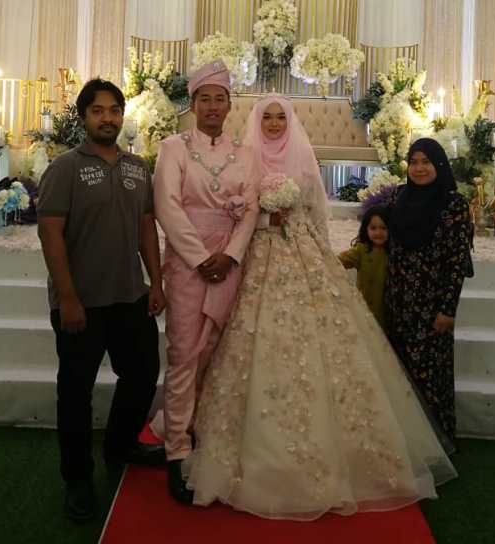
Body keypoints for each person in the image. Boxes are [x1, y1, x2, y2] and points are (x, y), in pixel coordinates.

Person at [184, 96, 456, 520]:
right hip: (255, 253)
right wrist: (264, 221)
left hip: (303, 253)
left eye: (281, 117)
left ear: (290, 121)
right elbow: (235, 212)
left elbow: (314, 213)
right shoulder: (243, 158)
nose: (274, 124)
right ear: (257, 120)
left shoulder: (303, 160)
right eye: (268, 117)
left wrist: (318, 250)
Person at [37, 78, 166, 523]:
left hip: (129, 295)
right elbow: (50, 232)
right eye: (98, 111)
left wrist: (156, 282)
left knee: (143, 374)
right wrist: (67, 297)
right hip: (81, 302)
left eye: (114, 110)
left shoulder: (137, 168)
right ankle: (77, 478)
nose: (107, 118)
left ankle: (120, 446)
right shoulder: (66, 168)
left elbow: (146, 226)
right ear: (84, 117)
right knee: (75, 393)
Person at [150, 60, 259, 504]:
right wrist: (199, 258)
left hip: (228, 263)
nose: (213, 106)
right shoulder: (173, 148)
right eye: (205, 99)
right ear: (192, 105)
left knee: (215, 349)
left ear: (230, 106)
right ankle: (177, 448)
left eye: (220, 99)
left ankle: (203, 430)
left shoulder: (246, 153)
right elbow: (167, 206)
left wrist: (230, 255)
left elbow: (251, 208)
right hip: (187, 263)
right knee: (183, 353)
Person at [386, 138, 474, 443]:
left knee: (430, 376)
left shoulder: (454, 204)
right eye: (413, 162)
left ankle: (436, 442)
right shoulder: (398, 196)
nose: (419, 168)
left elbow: (457, 261)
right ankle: (406, 444)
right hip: (398, 301)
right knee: (399, 374)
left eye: (426, 162)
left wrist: (447, 310)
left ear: (439, 165)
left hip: (431, 305)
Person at [338, 204, 390, 327]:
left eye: (383, 228)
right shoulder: (361, 250)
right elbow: (341, 260)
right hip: (364, 306)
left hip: (385, 310)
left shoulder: (393, 251)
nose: (378, 232)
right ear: (365, 229)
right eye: (373, 228)